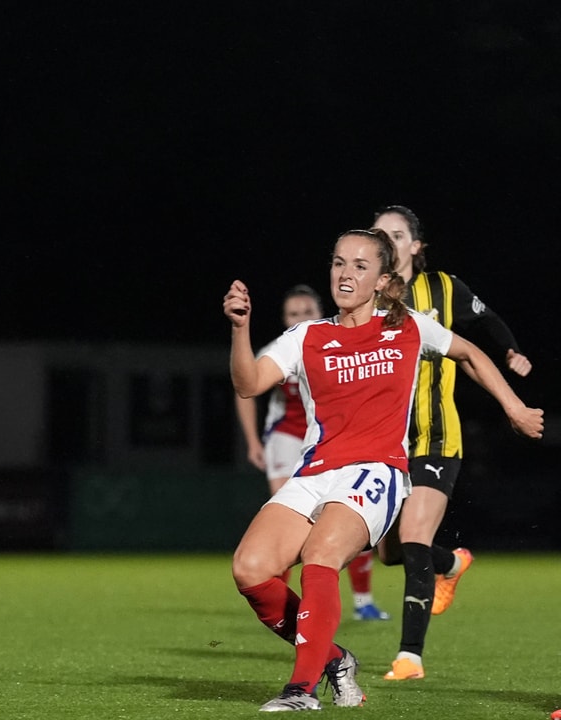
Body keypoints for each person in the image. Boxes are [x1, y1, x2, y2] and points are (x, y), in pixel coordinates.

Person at [223, 228, 543, 712]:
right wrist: (240, 328)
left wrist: (515, 409)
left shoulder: (408, 326)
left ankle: (301, 690)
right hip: (315, 471)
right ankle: (334, 660)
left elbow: (470, 353)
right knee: (250, 570)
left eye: (358, 266)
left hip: (377, 469)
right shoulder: (307, 336)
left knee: (321, 556)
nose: (345, 274)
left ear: (380, 279)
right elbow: (248, 384)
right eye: (338, 263)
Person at [372, 204, 534, 681]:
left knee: (414, 537)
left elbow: (486, 320)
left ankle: (409, 657)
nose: (388, 242)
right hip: (386, 441)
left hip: (438, 435)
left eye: (397, 235)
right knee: (389, 549)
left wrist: (511, 350)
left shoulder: (443, 288)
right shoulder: (366, 296)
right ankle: (452, 563)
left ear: (416, 246)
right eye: (379, 235)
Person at [236, 284, 391, 621]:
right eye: (293, 314)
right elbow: (244, 390)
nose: (301, 318)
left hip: (332, 441)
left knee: (348, 515)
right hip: (286, 438)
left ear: (321, 312)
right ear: (284, 319)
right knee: (287, 516)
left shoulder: (346, 347)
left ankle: (362, 600)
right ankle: (281, 595)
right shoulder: (283, 347)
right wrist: (252, 441)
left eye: (307, 312)